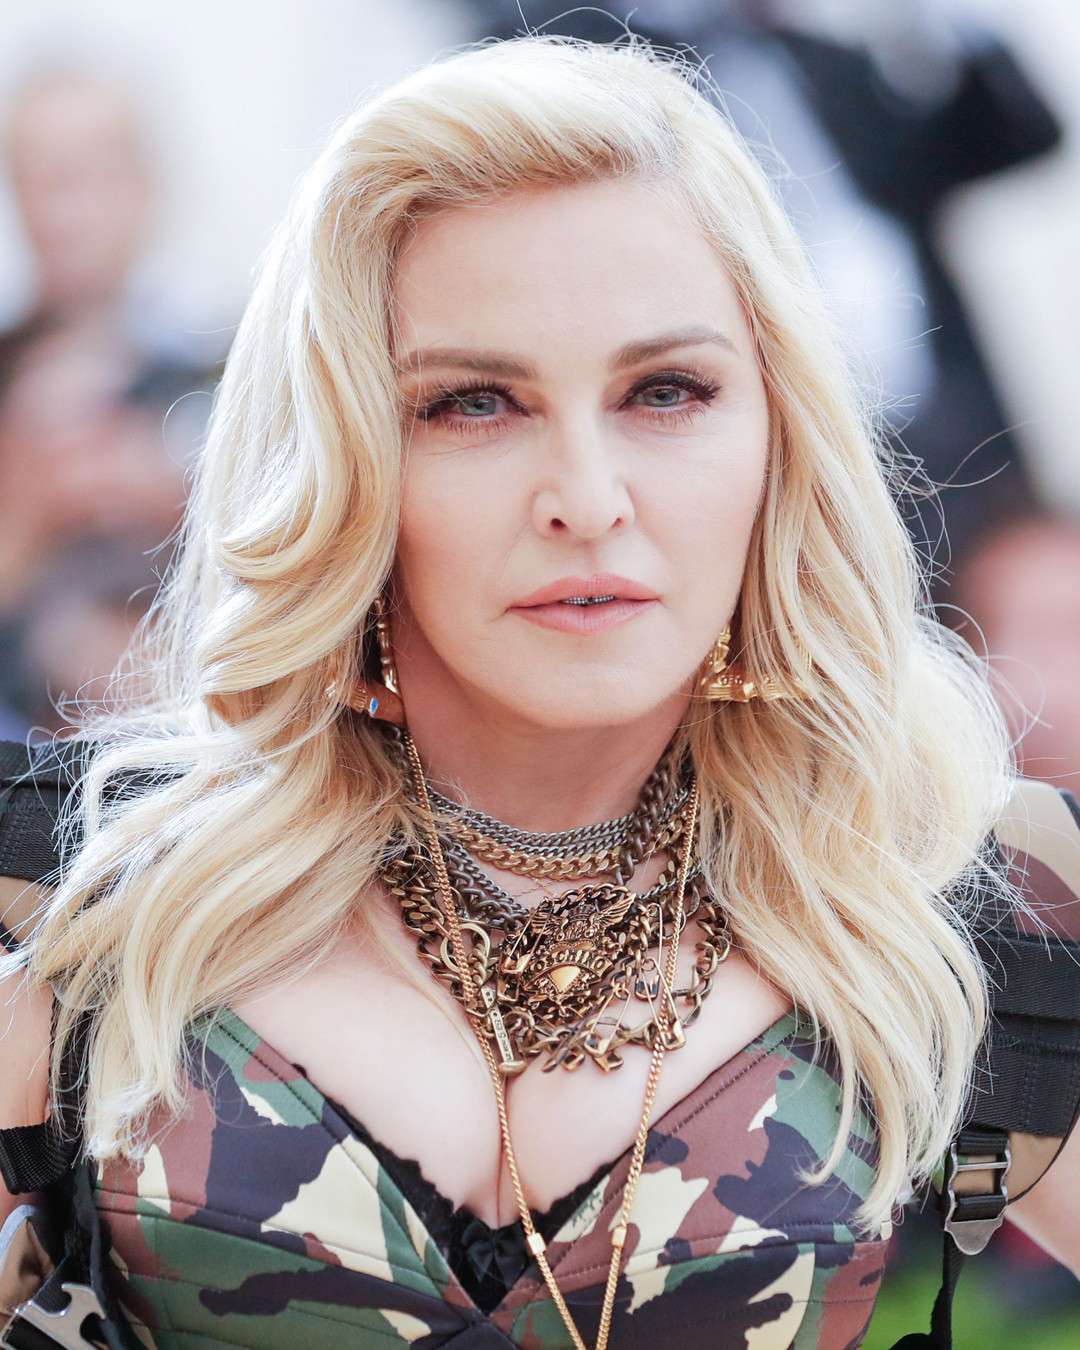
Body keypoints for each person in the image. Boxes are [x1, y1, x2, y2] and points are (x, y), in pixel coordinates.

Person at [0, 34, 1077, 1350]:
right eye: (475, 404)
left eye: (665, 391)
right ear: (348, 452)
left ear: (779, 432)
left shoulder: (951, 907)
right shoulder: (91, 916)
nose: (587, 497)